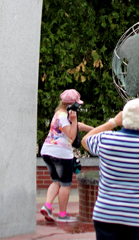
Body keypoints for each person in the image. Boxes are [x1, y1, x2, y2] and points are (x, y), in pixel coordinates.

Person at [82, 98, 139, 240]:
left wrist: (112, 122)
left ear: (123, 118)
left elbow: (85, 140)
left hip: (107, 216)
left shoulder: (106, 140)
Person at [40, 88, 93, 223]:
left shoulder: (59, 113)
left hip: (47, 151)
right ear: (71, 104)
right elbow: (71, 134)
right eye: (77, 104)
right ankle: (63, 215)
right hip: (61, 154)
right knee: (65, 184)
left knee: (56, 181)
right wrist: (74, 120)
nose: (78, 107)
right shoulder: (64, 116)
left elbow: (76, 126)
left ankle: (47, 206)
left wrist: (93, 129)